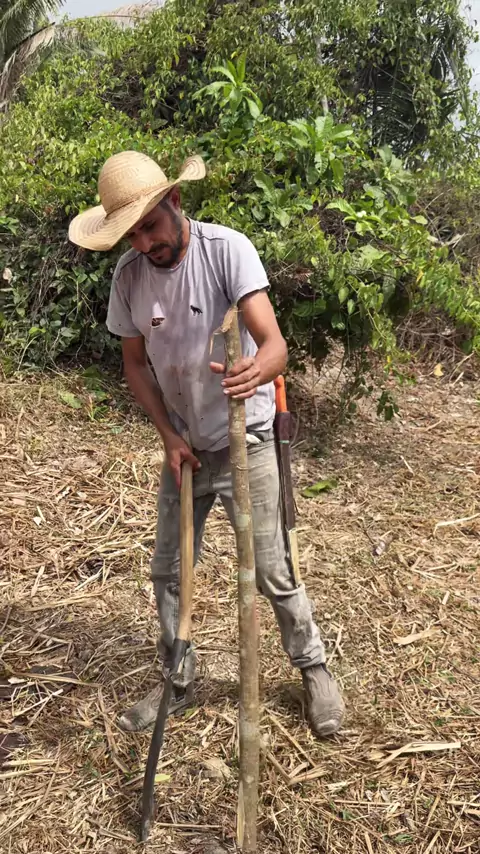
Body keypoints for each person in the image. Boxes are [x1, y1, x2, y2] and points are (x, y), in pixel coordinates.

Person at [68, 150, 345, 737]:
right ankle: (178, 678)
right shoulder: (129, 278)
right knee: (168, 570)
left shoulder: (227, 250)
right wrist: (169, 436)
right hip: (186, 446)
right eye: (132, 235)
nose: (145, 243)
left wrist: (256, 370)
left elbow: (274, 345)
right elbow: (135, 364)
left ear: (175, 201)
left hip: (248, 437)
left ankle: (313, 667)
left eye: (150, 226)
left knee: (271, 568)